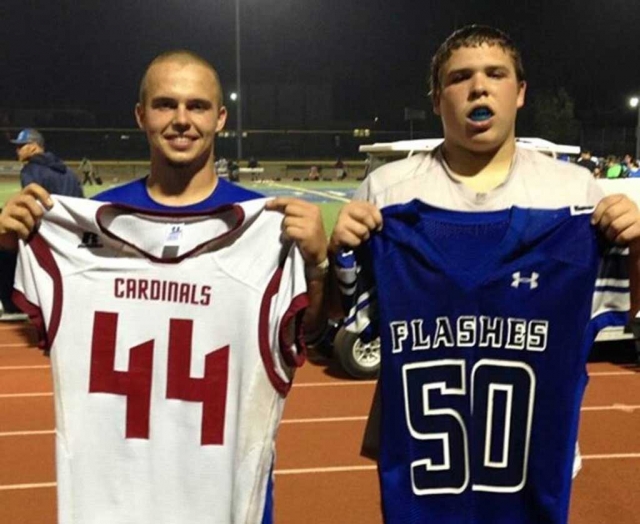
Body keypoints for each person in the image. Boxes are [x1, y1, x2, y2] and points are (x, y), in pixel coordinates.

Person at [0, 50, 328, 524]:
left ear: (220, 118)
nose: (180, 119)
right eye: (164, 105)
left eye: (196, 106)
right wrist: (8, 246)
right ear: (141, 116)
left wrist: (316, 265)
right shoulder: (93, 225)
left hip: (223, 505)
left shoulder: (267, 227)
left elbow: (309, 338)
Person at [329, 25, 640, 523]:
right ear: (437, 99)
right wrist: (339, 247)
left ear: (518, 93)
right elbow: (337, 317)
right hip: (426, 462)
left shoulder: (576, 192)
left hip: (530, 456)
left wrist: (638, 245)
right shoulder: (387, 192)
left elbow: (630, 308)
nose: (479, 87)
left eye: (495, 74)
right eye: (460, 78)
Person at [11, 128, 83, 197]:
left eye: (21, 146)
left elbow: (32, 204)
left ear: (34, 146)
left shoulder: (29, 171)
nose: (17, 150)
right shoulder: (69, 172)